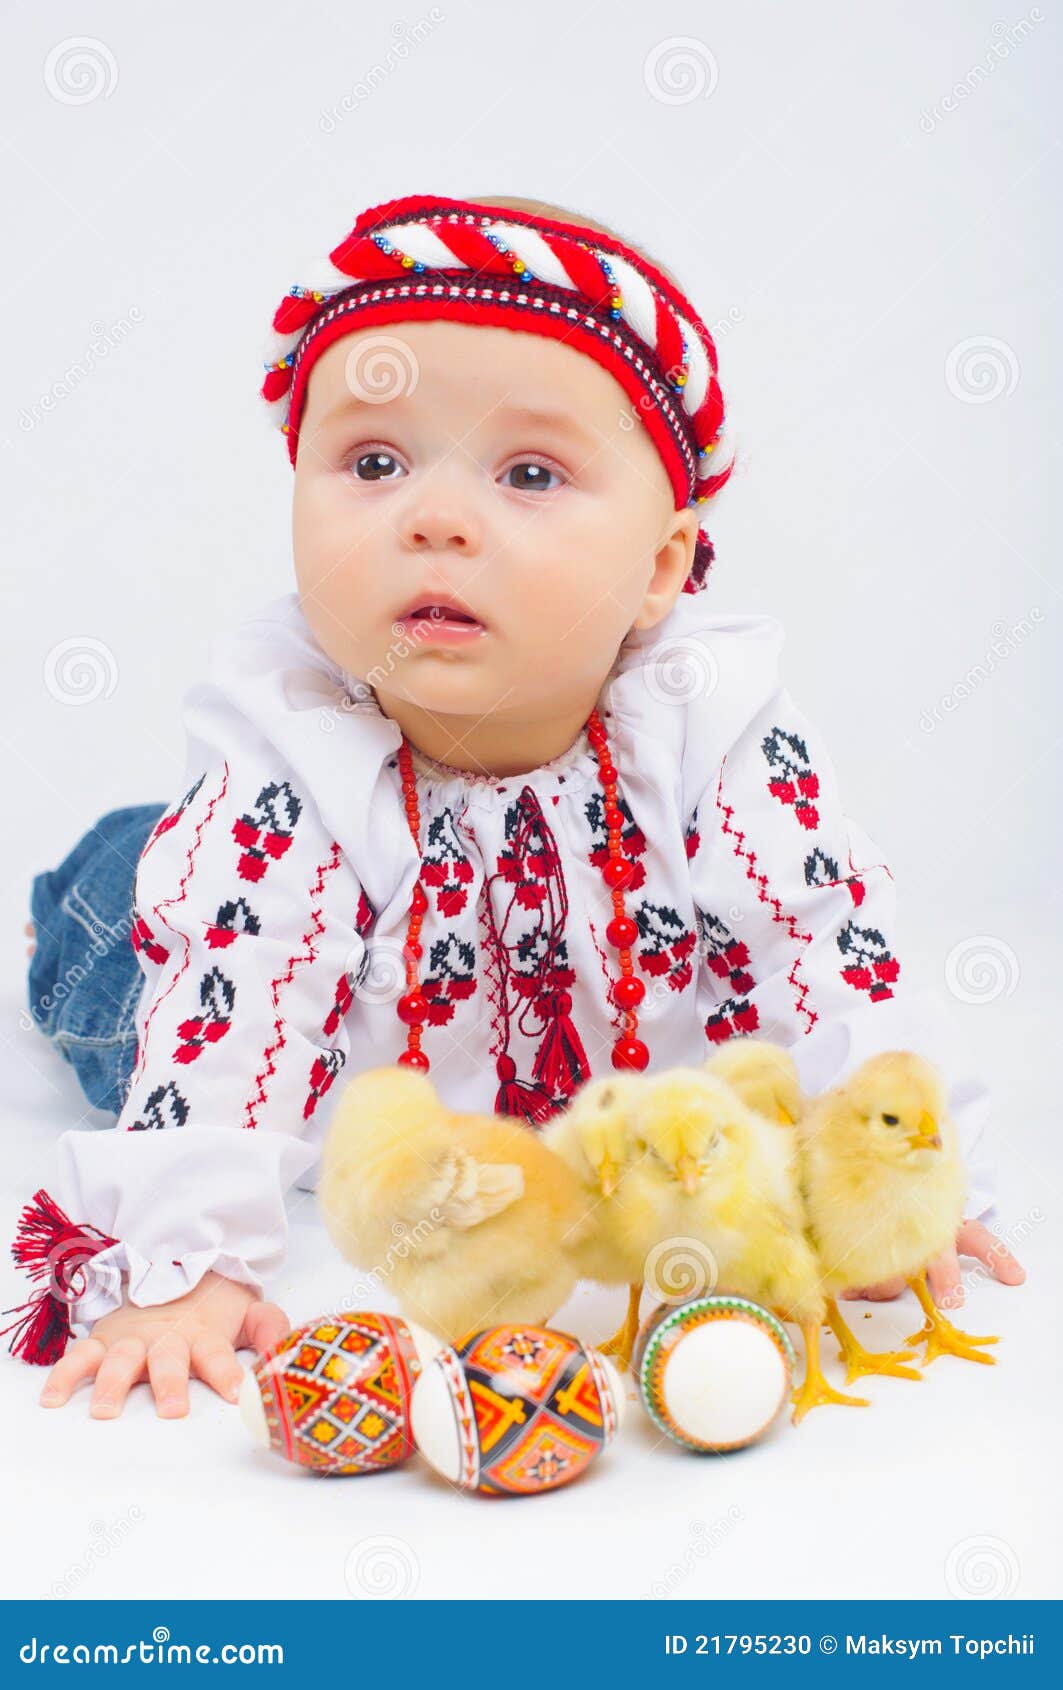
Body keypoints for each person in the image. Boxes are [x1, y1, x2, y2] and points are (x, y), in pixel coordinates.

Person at [12, 191, 1025, 1422]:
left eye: (529, 473)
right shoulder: (295, 742)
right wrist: (186, 1261)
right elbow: (245, 984)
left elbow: (821, 941)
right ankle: (87, 896)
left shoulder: (707, 723)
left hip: (590, 1078)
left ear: (660, 567)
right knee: (125, 962)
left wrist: (884, 1171)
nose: (434, 520)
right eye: (373, 464)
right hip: (245, 981)